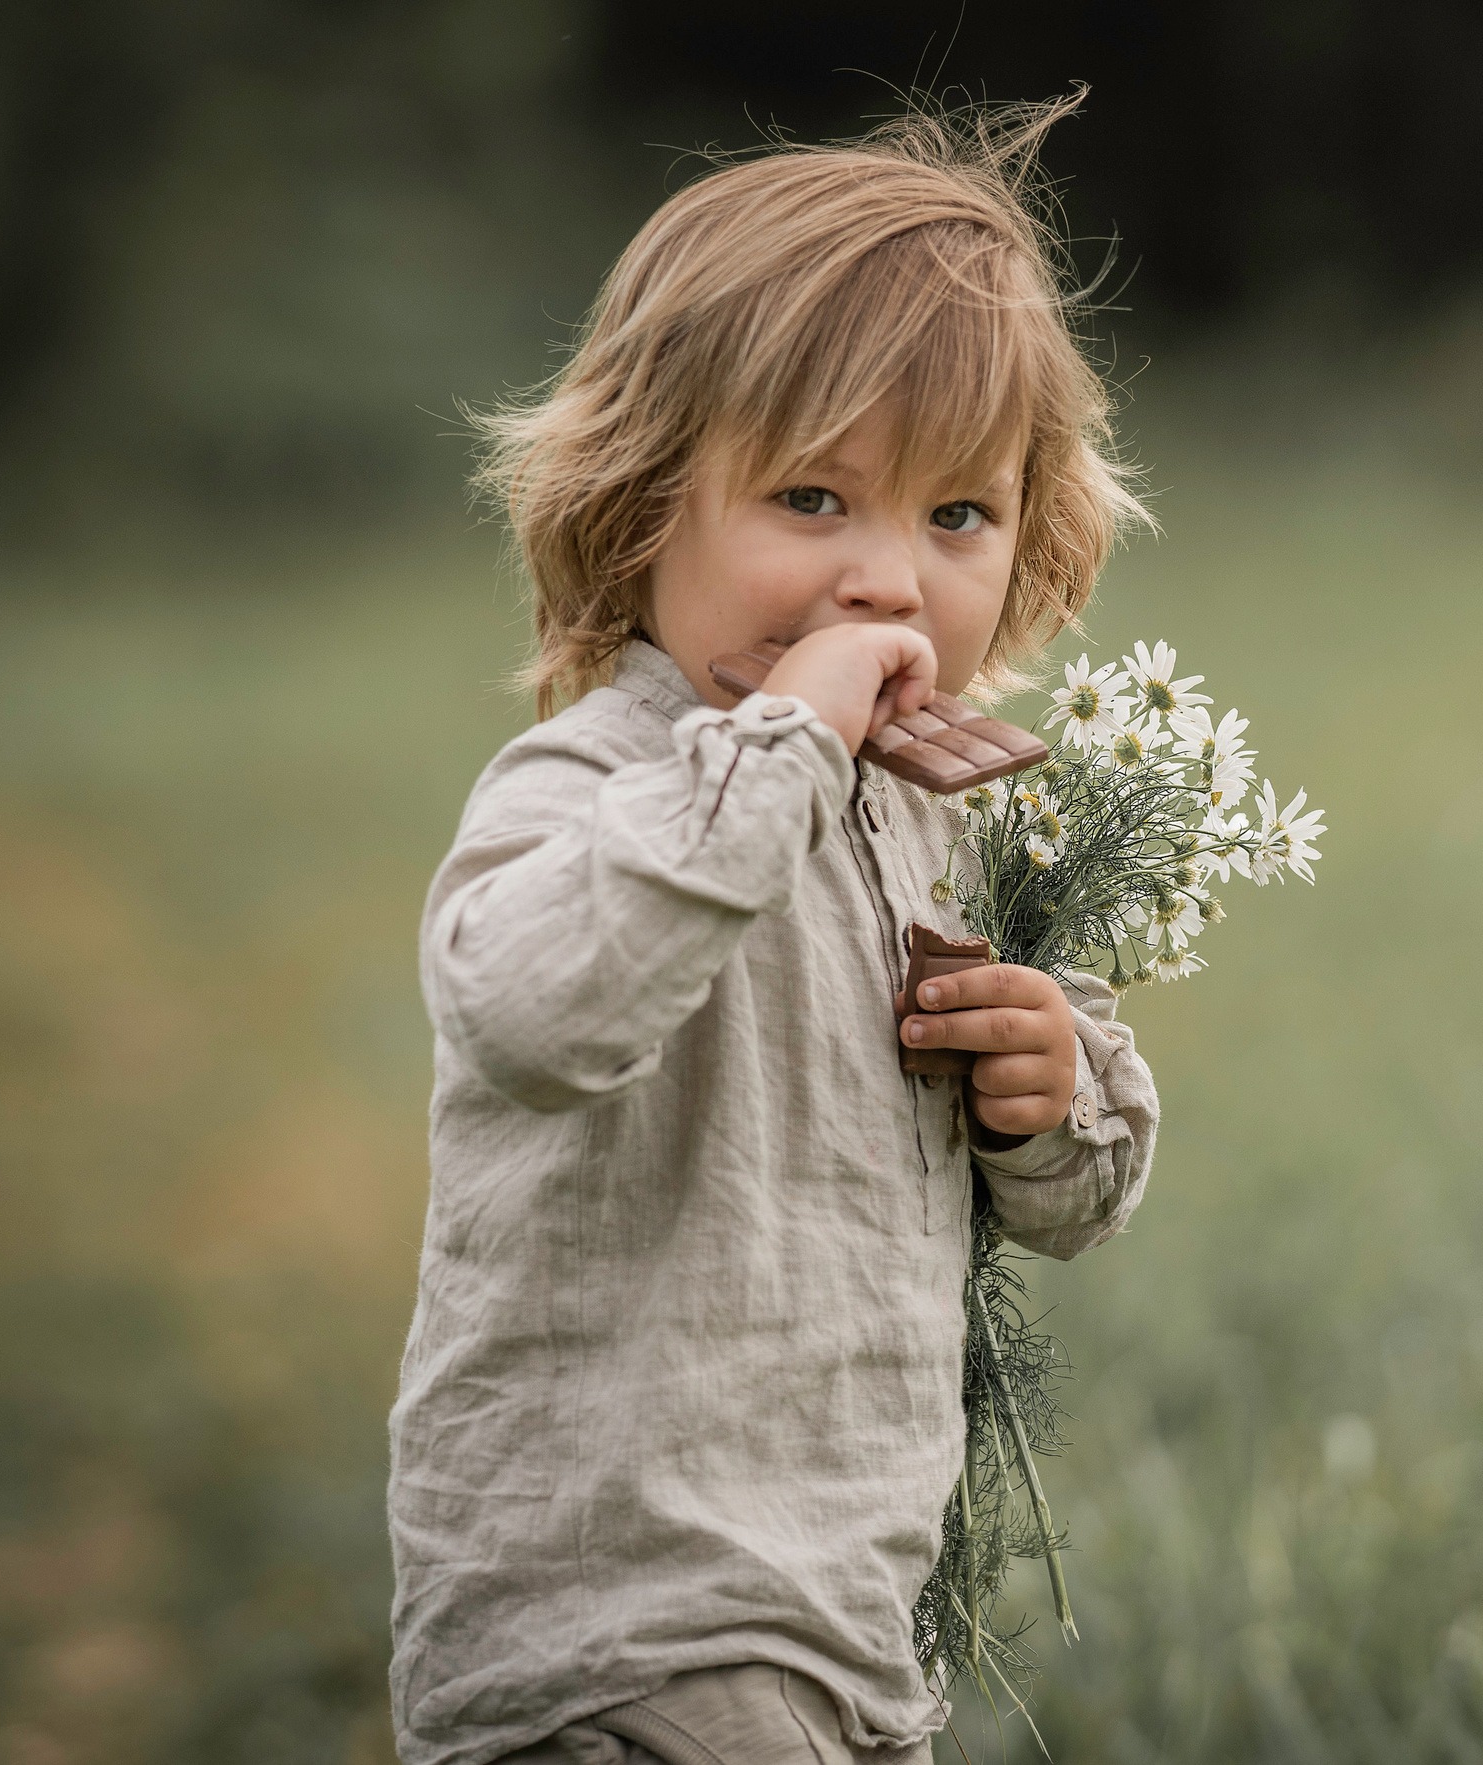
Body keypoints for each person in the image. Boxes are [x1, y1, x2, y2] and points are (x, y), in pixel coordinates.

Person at [389, 97, 1161, 1765]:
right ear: (642, 504)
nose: (890, 579)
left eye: (958, 516)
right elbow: (527, 1009)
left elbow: (1083, 1197)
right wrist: (790, 740)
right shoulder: (597, 781)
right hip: (622, 1628)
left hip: (851, 1619)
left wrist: (1049, 1086)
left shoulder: (946, 825)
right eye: (814, 496)